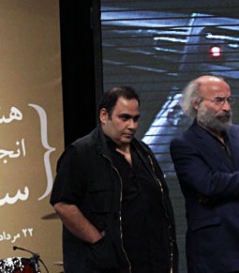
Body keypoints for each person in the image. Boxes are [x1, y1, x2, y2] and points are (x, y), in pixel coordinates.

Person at [50, 85, 178, 272]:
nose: (132, 126)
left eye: (135, 119)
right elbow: (62, 204)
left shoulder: (144, 153)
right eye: (124, 118)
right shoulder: (81, 153)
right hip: (104, 265)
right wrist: (98, 242)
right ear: (104, 116)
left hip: (149, 262)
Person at [170, 75, 239, 273]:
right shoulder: (184, 144)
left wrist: (225, 187)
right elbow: (207, 185)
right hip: (215, 251)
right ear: (197, 104)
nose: (226, 107)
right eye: (218, 100)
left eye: (228, 100)